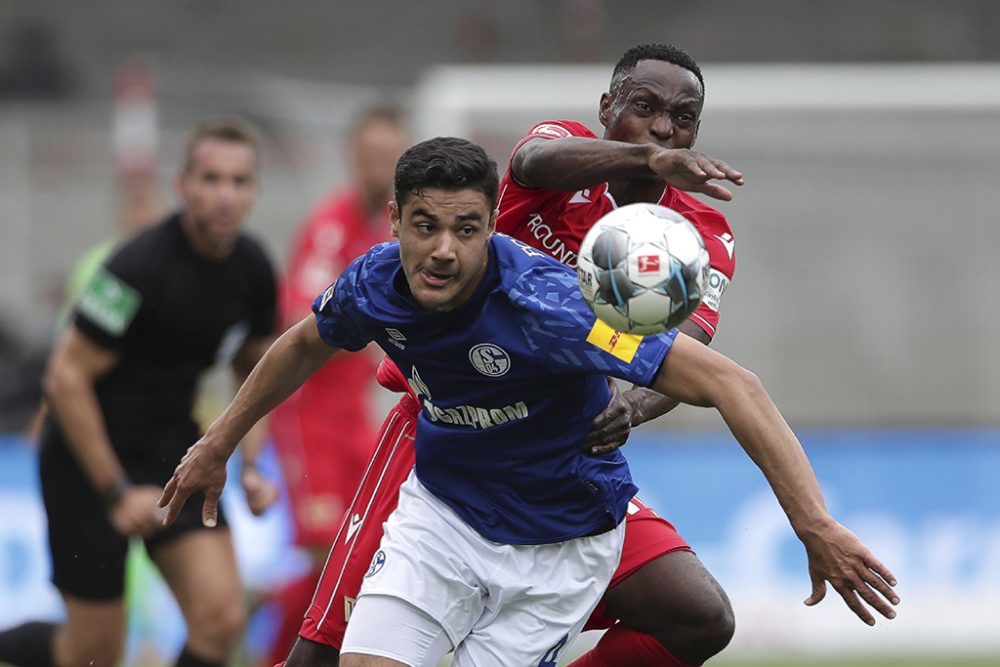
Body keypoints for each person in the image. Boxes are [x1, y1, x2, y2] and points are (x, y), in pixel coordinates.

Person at [160, 136, 898, 667]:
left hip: (557, 548)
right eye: (425, 226)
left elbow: (732, 383)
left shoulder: (553, 307)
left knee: (697, 614)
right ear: (394, 221)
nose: (443, 249)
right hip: (441, 521)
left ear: (489, 228)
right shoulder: (376, 279)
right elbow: (303, 343)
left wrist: (815, 524)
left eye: (466, 229)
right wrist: (217, 442)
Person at [279, 43, 738, 667]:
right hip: (446, 423)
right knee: (318, 654)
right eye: (643, 107)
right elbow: (531, 159)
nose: (663, 127)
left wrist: (630, 408)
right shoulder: (565, 151)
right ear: (607, 108)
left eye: (681, 119)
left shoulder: (699, 235)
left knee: (699, 618)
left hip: (557, 454)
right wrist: (646, 158)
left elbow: (691, 356)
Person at [0, 118, 280, 667]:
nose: (226, 195)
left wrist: (251, 465)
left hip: (172, 450)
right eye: (211, 179)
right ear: (183, 186)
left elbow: (259, 371)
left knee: (221, 619)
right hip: (86, 461)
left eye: (239, 181)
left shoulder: (253, 269)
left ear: (255, 191)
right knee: (92, 653)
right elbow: (65, 377)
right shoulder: (136, 268)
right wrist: (114, 490)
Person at [263, 105, 409, 666]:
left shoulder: (389, 227)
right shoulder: (333, 225)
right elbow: (300, 317)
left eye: (391, 158)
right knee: (332, 556)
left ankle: (275, 615)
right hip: (310, 418)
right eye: (373, 157)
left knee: (361, 556)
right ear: (353, 159)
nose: (382, 169)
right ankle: (275, 635)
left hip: (357, 421)